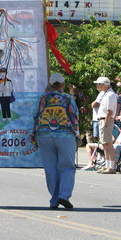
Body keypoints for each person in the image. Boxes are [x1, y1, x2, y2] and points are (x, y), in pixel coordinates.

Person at [32, 73, 79, 209]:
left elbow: (35, 116)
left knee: (50, 168)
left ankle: (54, 199)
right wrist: (77, 135)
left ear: (50, 85)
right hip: (65, 135)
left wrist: (34, 134)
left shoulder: (42, 99)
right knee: (67, 166)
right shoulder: (68, 98)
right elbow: (74, 117)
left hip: (44, 135)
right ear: (63, 85)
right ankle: (64, 195)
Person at [94, 77, 118, 174]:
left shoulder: (110, 95)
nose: (97, 86)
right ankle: (107, 165)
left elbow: (110, 111)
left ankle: (111, 166)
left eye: (99, 84)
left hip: (106, 120)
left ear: (103, 85)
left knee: (108, 144)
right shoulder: (106, 94)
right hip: (103, 120)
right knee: (105, 144)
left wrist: (105, 123)